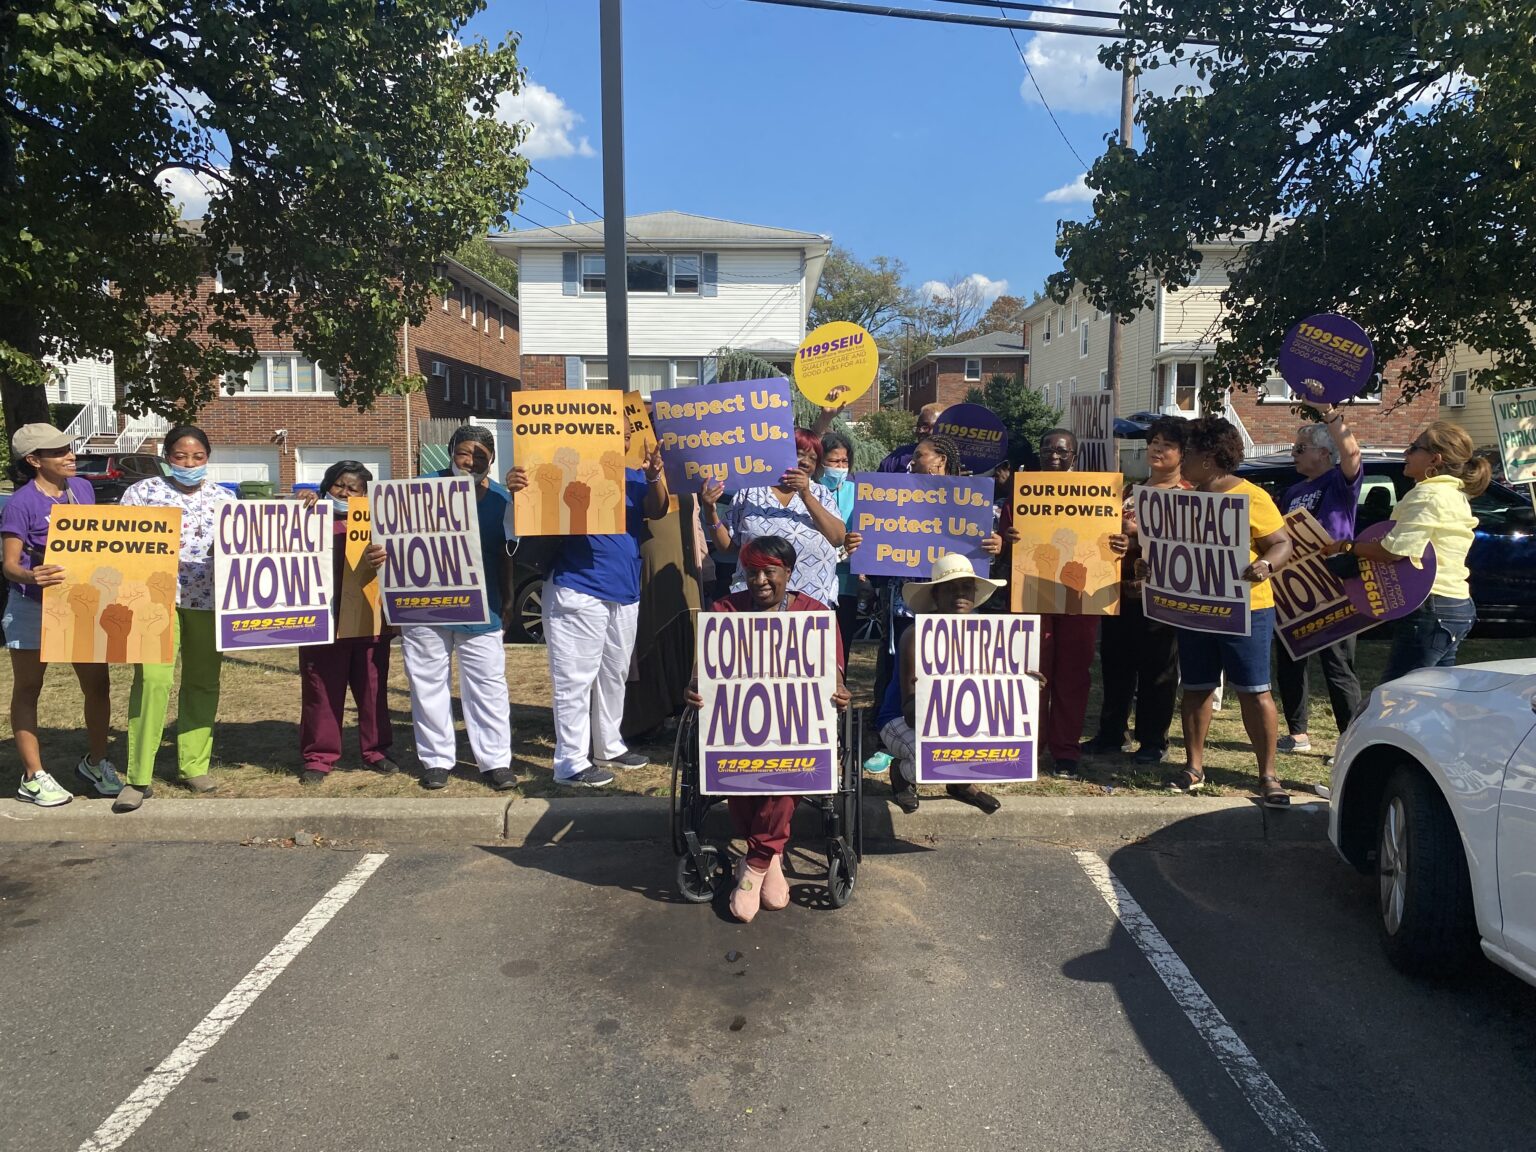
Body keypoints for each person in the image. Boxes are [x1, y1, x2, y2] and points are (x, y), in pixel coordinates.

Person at [683, 536, 849, 923]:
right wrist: (693, 688)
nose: (759, 581)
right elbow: (700, 672)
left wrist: (839, 691)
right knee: (736, 764)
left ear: (787, 573)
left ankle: (755, 864)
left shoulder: (814, 613)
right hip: (741, 725)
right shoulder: (724, 610)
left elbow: (835, 673)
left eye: (769, 572)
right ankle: (769, 857)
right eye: (752, 573)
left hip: (793, 726)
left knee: (791, 765)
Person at [509, 427, 670, 787]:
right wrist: (517, 485)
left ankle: (608, 746)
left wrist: (654, 475)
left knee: (614, 675)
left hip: (624, 591)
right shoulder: (565, 471)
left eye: (627, 432)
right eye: (616, 429)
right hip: (577, 588)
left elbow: (657, 510)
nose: (624, 437)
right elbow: (531, 505)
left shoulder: (633, 475)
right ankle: (570, 763)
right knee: (574, 681)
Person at [368, 426, 517, 791]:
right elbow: (390, 540)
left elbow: (507, 556)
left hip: (483, 609)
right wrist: (378, 555)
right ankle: (436, 760)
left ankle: (496, 761)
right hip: (424, 607)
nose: (471, 461)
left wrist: (510, 599)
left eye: (481, 456)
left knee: (488, 687)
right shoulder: (418, 490)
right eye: (464, 453)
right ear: (451, 452)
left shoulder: (502, 500)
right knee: (427, 683)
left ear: (492, 460)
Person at [1163, 416, 1294, 807]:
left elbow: (1282, 544)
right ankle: (1193, 767)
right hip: (1195, 608)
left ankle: (1268, 775)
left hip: (1246, 609)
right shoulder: (1184, 499)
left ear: (1209, 457)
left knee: (1254, 691)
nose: (1181, 459)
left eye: (1188, 452)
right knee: (1196, 686)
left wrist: (1265, 564)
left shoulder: (1252, 496)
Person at [114, 425, 238, 812]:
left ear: (208, 458)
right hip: (156, 601)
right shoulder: (142, 493)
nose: (189, 463)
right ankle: (138, 776)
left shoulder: (225, 498)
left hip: (209, 602)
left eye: (197, 457)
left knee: (203, 682)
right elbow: (119, 543)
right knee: (153, 681)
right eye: (180, 457)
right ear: (167, 457)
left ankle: (194, 766)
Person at [2, 424, 117, 806]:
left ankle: (96, 763)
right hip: (32, 607)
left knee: (98, 685)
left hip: (79, 606)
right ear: (34, 460)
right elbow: (9, 565)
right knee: (28, 689)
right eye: (58, 452)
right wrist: (31, 575)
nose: (70, 456)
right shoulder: (21, 503)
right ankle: (33, 777)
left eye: (69, 448)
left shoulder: (82, 489)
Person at [1004, 429, 1128, 781]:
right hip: (1033, 593)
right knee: (1032, 672)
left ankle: (1065, 752)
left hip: (1081, 597)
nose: (1054, 456)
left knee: (1073, 675)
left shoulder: (1099, 493)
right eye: (1048, 450)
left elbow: (1112, 539)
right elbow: (1002, 545)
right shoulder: (1022, 492)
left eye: (1062, 451)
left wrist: (1121, 542)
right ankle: (1029, 746)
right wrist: (1007, 538)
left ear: (1075, 454)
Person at [869, 434, 1006, 738]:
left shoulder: (971, 498)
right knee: (903, 666)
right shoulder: (894, 496)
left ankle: (953, 724)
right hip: (909, 598)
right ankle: (895, 726)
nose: (911, 462)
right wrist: (861, 543)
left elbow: (985, 542)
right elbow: (878, 533)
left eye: (919, 455)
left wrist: (997, 544)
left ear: (940, 460)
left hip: (956, 600)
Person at [1333, 420, 1488, 682]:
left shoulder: (1429, 495)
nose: (1406, 453)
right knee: (1431, 694)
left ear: (1435, 460)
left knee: (1396, 694)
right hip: (1453, 605)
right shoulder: (1453, 493)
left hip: (1432, 607)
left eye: (1414, 448)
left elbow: (1395, 551)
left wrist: (1347, 547)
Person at [1082, 417, 1191, 765]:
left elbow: (1184, 547)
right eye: (1154, 443)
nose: (1157, 449)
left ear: (1183, 454)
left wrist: (1136, 536)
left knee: (1158, 669)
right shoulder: (1129, 491)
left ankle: (1153, 740)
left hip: (1161, 594)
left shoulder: (1187, 496)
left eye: (1167, 445)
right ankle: (1112, 733)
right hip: (1118, 590)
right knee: (1116, 664)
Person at [877, 553, 1007, 815]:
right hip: (901, 719)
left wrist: (1025, 687)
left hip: (953, 720)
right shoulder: (915, 634)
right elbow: (910, 712)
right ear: (935, 595)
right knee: (932, 760)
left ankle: (960, 784)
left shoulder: (984, 635)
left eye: (966, 587)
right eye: (951, 587)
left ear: (974, 593)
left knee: (989, 749)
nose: (960, 593)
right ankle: (902, 772)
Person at [297, 461, 396, 784]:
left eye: (354, 489)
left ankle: (376, 750)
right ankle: (319, 757)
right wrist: (298, 509)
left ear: (366, 495)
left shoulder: (382, 522)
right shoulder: (308, 517)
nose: (344, 493)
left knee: (372, 688)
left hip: (368, 615)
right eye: (338, 485)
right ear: (326, 486)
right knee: (321, 689)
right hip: (321, 620)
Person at [1276, 408, 1363, 754]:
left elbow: (1352, 454)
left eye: (1300, 448)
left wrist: (1331, 416)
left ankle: (1351, 741)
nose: (1293, 455)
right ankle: (1297, 733)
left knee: (1338, 664)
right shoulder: (1294, 490)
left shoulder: (1340, 482)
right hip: (1296, 584)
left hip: (1334, 584)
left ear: (1324, 453)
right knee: (1290, 659)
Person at [700, 428, 847, 612]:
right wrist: (710, 510)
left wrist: (806, 495)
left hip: (810, 607)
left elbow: (838, 538)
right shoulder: (750, 492)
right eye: (800, 454)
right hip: (756, 602)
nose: (805, 462)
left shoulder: (821, 494)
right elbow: (727, 547)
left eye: (813, 458)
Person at [816, 430, 863, 664]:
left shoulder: (859, 493)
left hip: (847, 583)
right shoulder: (809, 491)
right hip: (814, 580)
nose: (840, 467)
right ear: (820, 462)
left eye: (844, 461)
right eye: (834, 461)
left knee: (841, 645)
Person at [877, 403, 944, 473]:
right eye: (918, 427)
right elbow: (879, 478)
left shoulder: (951, 462)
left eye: (925, 427)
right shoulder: (899, 456)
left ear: (942, 428)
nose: (920, 431)